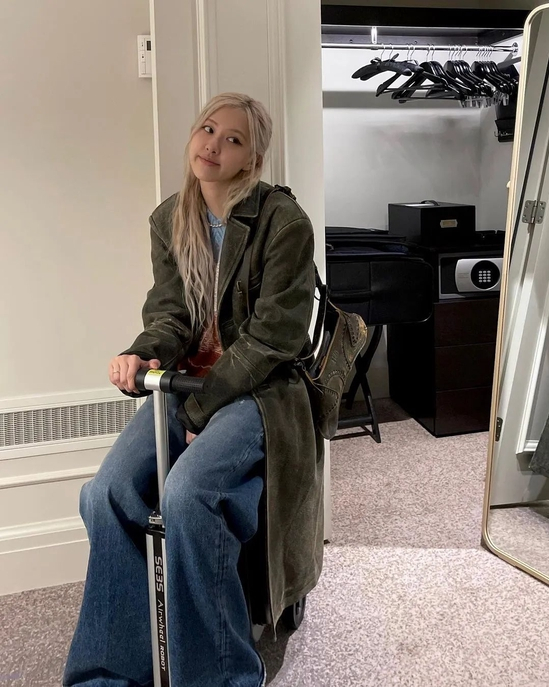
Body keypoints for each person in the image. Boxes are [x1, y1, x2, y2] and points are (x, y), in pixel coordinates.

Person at [63, 92, 324, 687]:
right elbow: (171, 314)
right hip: (186, 382)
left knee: (188, 496)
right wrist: (143, 352)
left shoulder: (285, 223)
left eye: (233, 139)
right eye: (207, 129)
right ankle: (106, 675)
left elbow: (273, 338)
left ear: (251, 159)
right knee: (104, 494)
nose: (213, 144)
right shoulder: (170, 219)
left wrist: (202, 409)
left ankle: (223, 677)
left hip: (261, 392)